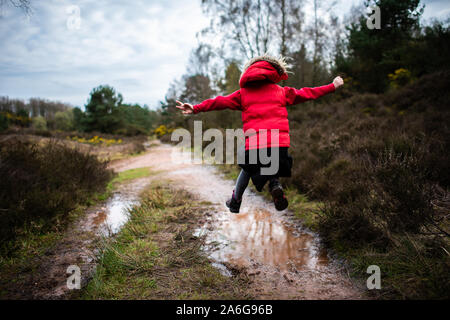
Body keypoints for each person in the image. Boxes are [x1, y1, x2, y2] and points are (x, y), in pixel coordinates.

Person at [176, 54, 344, 213]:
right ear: (273, 72)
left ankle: (236, 201)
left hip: (255, 144)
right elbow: (308, 93)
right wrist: (332, 86)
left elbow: (219, 102)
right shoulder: (281, 92)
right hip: (279, 143)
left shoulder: (243, 94)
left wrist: (196, 108)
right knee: (273, 162)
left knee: (247, 169)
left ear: (248, 72)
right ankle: (275, 186)